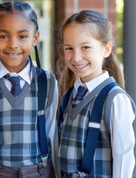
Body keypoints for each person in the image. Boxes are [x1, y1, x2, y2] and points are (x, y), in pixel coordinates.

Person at [0, 1, 58, 177]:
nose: (13, 44)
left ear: (35, 39)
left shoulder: (47, 81)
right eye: (4, 36)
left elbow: (52, 136)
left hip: (39, 173)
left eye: (22, 36)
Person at [57, 10, 136, 177]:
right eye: (69, 48)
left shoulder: (115, 100)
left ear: (106, 49)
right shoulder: (68, 96)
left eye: (85, 47)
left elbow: (124, 159)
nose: (76, 57)